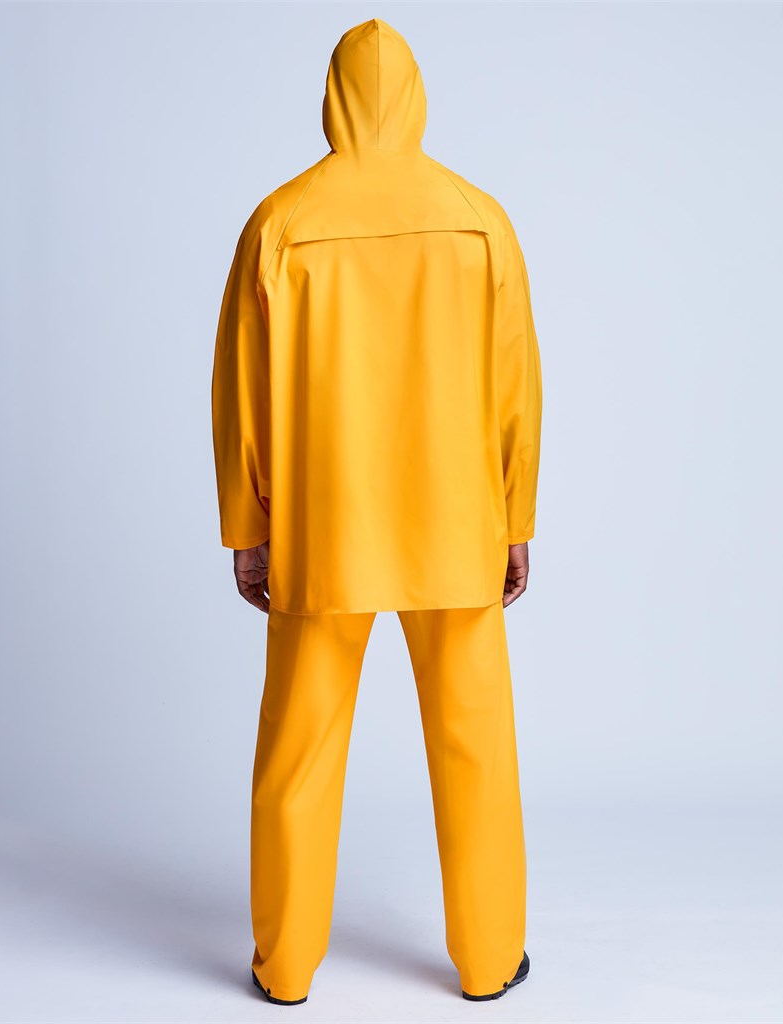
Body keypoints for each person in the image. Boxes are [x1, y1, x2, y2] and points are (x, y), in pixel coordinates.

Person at [211, 17, 542, 1005]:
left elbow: (241, 391)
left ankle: (284, 967)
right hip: (455, 528)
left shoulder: (281, 223)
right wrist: (515, 516)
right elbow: (515, 386)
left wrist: (248, 527)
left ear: (331, 101)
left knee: (299, 753)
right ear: (417, 100)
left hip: (327, 533)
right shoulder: (479, 220)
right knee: (475, 750)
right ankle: (489, 960)